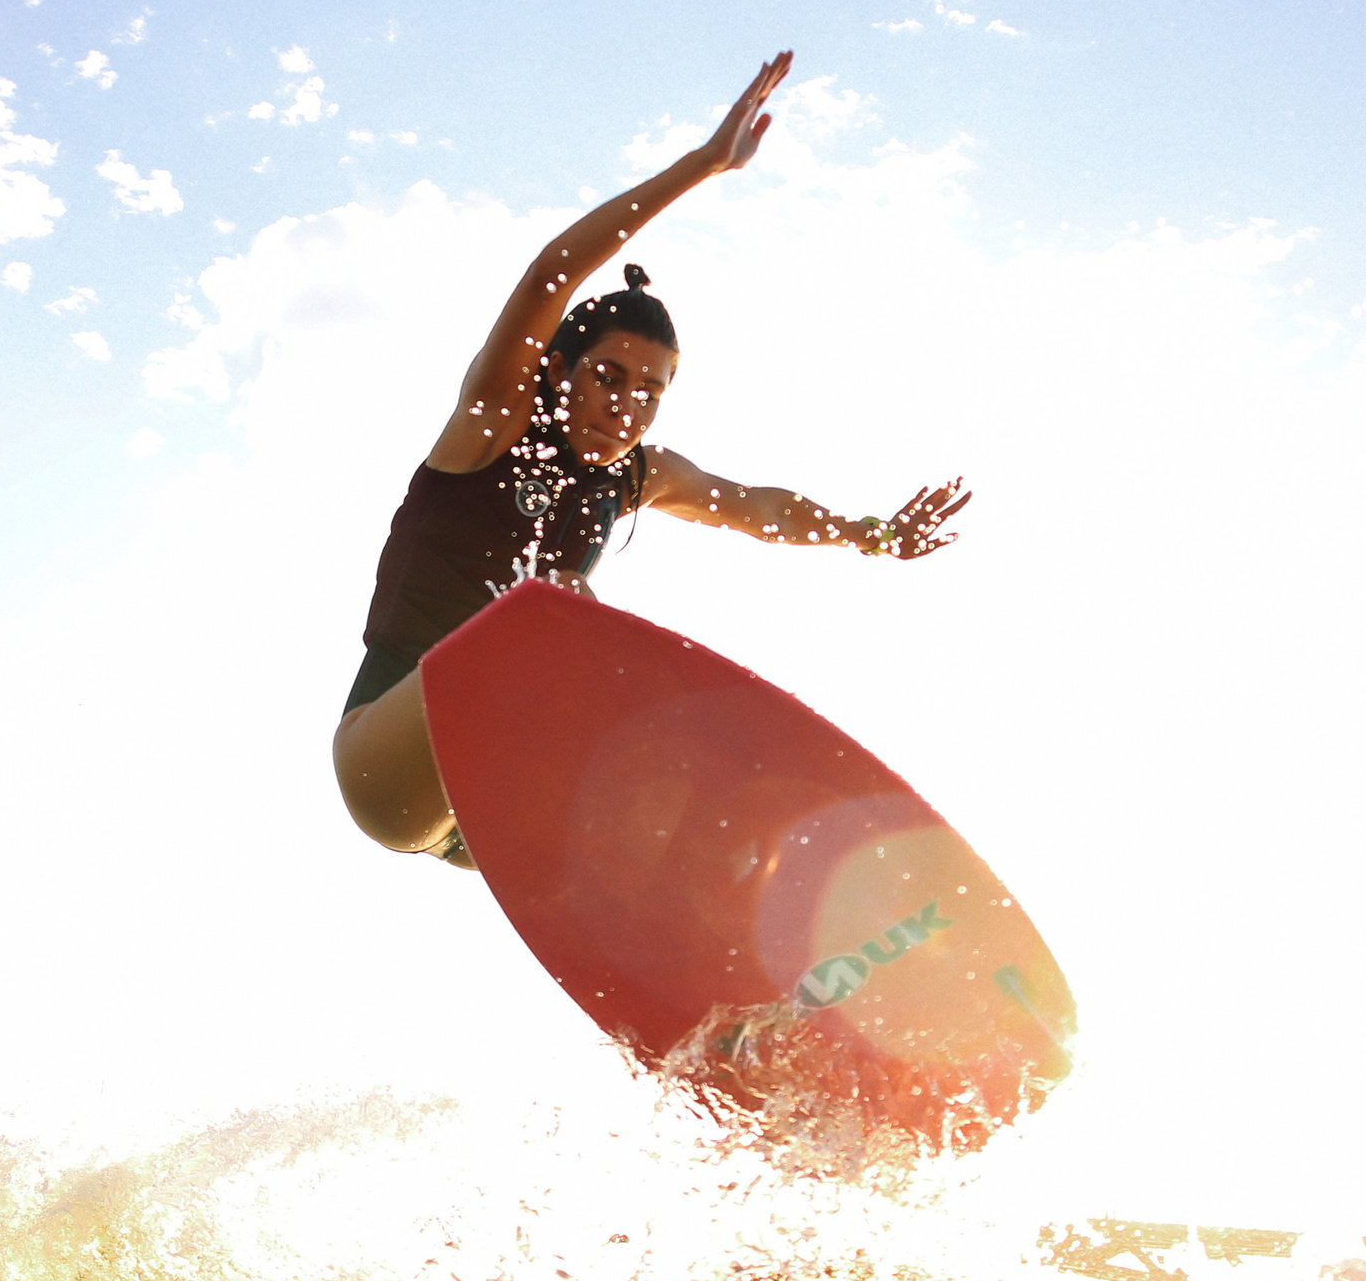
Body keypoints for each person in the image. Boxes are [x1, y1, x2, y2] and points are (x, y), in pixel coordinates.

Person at [334, 53, 970, 868]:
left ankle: (749, 958)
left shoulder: (638, 475)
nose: (626, 405)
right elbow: (548, 276)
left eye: (650, 391)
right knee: (558, 601)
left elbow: (758, 507)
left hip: (498, 796)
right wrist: (705, 165)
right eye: (608, 376)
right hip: (394, 763)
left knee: (696, 799)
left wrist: (868, 532)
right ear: (561, 371)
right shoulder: (496, 423)